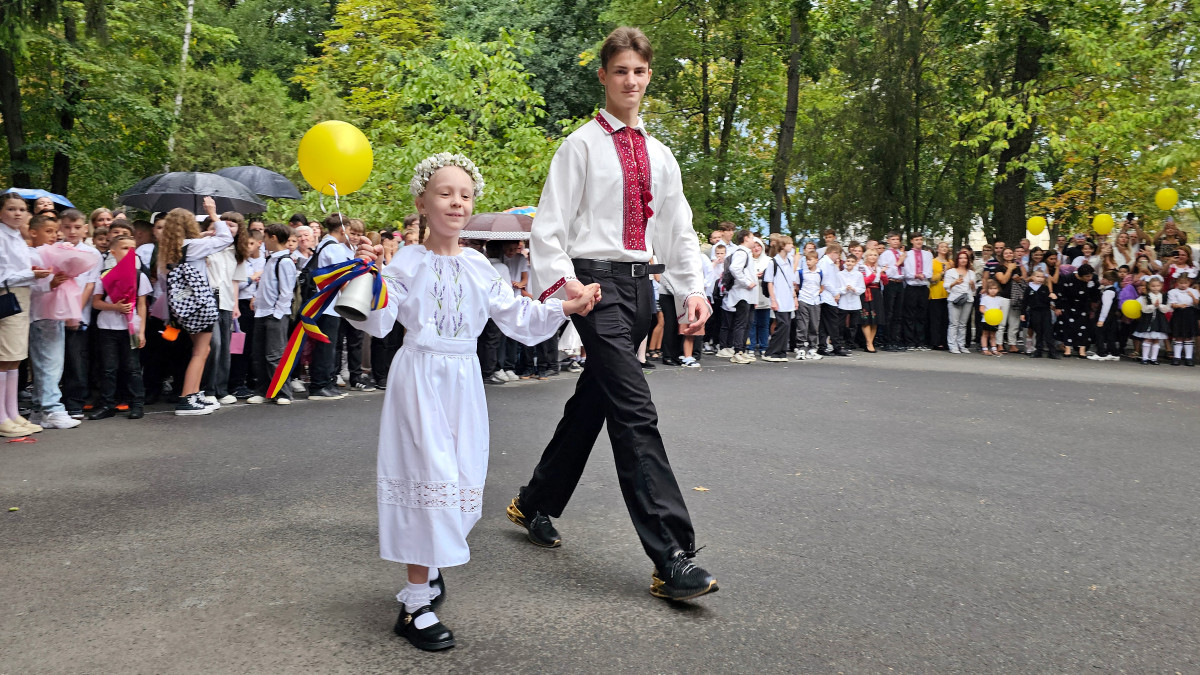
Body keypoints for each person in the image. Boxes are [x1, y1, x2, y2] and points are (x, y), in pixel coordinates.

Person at [349, 154, 598, 651]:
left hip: (463, 382)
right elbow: (377, 319)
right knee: (427, 481)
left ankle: (429, 566)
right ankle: (415, 604)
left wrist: (565, 306)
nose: (456, 202)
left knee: (460, 479)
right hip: (420, 380)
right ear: (422, 202)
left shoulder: (479, 264)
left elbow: (516, 314)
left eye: (465, 194)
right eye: (444, 193)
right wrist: (367, 277)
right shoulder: (406, 262)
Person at [514, 26, 719, 602]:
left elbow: (678, 228)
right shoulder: (579, 146)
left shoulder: (662, 154)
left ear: (649, 76)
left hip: (641, 289)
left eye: (640, 71)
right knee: (635, 411)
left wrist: (691, 289)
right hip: (596, 289)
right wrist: (568, 286)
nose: (631, 81)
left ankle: (534, 501)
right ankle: (671, 555)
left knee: (594, 403)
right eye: (621, 70)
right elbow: (549, 227)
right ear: (604, 76)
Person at [159, 198, 234, 415]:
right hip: (201, 306)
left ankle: (194, 393)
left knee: (202, 350)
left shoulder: (170, 251)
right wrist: (213, 213)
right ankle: (187, 398)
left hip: (184, 309)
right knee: (200, 352)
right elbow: (226, 238)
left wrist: (202, 235)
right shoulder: (194, 247)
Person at [0, 193, 53, 437]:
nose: (18, 213)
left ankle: (12, 413)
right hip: (7, 297)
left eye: (21, 209)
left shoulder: (17, 236)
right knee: (4, 357)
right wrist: (31, 275)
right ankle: (2, 416)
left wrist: (30, 272)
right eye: (11, 209)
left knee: (15, 357)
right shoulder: (2, 236)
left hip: (21, 295)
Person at [25, 215, 82, 429]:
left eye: (55, 231)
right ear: (33, 232)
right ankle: (52, 408)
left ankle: (39, 409)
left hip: (53, 313)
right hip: (41, 314)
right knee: (49, 363)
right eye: (48, 231)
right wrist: (50, 283)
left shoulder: (49, 252)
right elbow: (28, 285)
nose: (54, 235)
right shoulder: (31, 254)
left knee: (50, 363)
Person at [89, 236, 149, 420]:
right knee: (109, 368)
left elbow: (142, 305)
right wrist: (115, 307)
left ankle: (137, 404)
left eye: (133, 248)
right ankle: (107, 404)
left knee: (133, 368)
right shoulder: (105, 275)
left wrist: (141, 331)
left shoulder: (139, 275)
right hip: (107, 328)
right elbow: (96, 303)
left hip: (130, 329)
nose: (130, 252)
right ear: (113, 252)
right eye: (124, 248)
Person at [203, 212, 251, 406]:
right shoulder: (207, 245)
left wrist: (235, 305)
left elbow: (235, 281)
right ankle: (208, 388)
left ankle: (221, 389)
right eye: (225, 224)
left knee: (224, 346)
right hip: (208, 299)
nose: (228, 228)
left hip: (226, 301)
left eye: (233, 225)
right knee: (213, 344)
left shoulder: (237, 252)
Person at [247, 224, 298, 405]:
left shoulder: (284, 261)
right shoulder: (271, 259)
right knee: (259, 354)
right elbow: (267, 285)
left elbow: (286, 291)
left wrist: (277, 314)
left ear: (273, 237)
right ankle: (264, 390)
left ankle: (283, 392)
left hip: (275, 314)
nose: (263, 242)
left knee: (275, 355)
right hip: (262, 312)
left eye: (266, 237)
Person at [307, 213, 355, 400]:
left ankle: (325, 382)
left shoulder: (323, 244)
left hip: (323, 303)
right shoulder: (334, 248)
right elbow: (340, 277)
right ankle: (320, 385)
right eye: (349, 230)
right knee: (326, 346)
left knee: (326, 345)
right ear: (342, 229)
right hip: (329, 304)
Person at [721, 229, 757, 363]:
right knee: (741, 323)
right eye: (752, 238)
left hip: (748, 295)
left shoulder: (746, 253)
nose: (754, 240)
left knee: (747, 323)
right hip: (742, 294)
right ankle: (737, 351)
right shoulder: (741, 253)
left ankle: (742, 349)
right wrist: (747, 282)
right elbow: (734, 268)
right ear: (746, 238)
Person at [762, 236, 797, 362]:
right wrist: (773, 299)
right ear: (783, 246)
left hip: (788, 298)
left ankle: (781, 352)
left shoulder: (790, 261)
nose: (792, 246)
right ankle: (771, 351)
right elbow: (769, 282)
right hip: (779, 297)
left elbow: (791, 281)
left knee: (786, 325)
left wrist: (794, 297)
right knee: (783, 324)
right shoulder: (773, 262)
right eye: (789, 243)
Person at [1055, 263, 1097, 358]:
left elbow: (1095, 294)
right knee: (1068, 326)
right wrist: (1058, 306)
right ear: (1081, 275)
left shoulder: (1092, 280)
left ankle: (1082, 349)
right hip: (1068, 305)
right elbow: (1060, 293)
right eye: (1087, 276)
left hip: (1084, 305)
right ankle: (1068, 348)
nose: (1090, 278)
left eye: (1091, 275)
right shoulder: (1068, 279)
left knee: (1084, 327)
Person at [901, 233, 933, 350]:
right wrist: (915, 275)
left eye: (920, 239)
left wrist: (923, 275)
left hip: (923, 287)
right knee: (910, 315)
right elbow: (905, 271)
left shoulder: (927, 254)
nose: (919, 242)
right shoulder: (907, 254)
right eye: (916, 240)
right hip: (912, 286)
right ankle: (909, 341)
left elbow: (929, 271)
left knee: (922, 315)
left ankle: (921, 341)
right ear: (912, 241)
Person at [816, 241, 846, 356]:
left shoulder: (831, 264)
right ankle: (836, 346)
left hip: (830, 297)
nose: (838, 257)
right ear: (833, 252)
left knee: (824, 324)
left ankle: (823, 346)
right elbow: (825, 281)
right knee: (833, 323)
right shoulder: (825, 263)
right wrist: (835, 293)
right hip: (827, 297)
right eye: (838, 254)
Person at [943, 250, 976, 354]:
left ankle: (961, 345)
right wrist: (955, 283)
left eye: (965, 258)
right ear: (957, 260)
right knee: (954, 323)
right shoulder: (951, 272)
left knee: (963, 324)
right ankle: (952, 345)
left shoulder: (971, 273)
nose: (963, 260)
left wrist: (972, 285)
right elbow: (946, 286)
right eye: (961, 258)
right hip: (955, 299)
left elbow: (974, 290)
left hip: (968, 299)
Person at [877, 232, 906, 351]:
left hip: (900, 283)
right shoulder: (886, 254)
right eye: (893, 239)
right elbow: (886, 271)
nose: (895, 241)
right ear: (888, 241)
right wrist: (898, 262)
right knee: (889, 312)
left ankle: (895, 339)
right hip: (890, 283)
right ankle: (887, 341)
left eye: (897, 239)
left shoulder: (901, 253)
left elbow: (904, 270)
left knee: (898, 313)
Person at [1023, 269, 1059, 359]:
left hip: (1045, 311)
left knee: (1048, 331)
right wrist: (1022, 313)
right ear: (1033, 277)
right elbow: (1025, 302)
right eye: (1038, 276)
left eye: (1042, 277)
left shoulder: (1045, 288)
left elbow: (1046, 300)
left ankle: (1052, 351)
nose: (1040, 279)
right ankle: (1038, 350)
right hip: (1034, 311)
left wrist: (1051, 297)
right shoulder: (1028, 288)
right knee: (1038, 331)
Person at [794, 250, 824, 360]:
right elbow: (797, 286)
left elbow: (822, 286)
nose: (808, 262)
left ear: (816, 260)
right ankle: (801, 347)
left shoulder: (820, 272)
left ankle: (813, 348)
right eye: (807, 260)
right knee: (802, 324)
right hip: (804, 299)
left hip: (815, 301)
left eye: (810, 260)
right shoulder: (802, 272)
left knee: (814, 325)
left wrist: (816, 292)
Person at [1133, 275, 1169, 364]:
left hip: (1159, 320)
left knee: (1156, 339)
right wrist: (1153, 306)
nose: (1155, 288)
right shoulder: (1146, 297)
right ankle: (1145, 358)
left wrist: (1159, 306)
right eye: (1153, 286)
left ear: (1161, 286)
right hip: (1148, 320)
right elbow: (1144, 309)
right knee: (1147, 338)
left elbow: (1167, 309)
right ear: (1149, 286)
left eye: (1157, 286)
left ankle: (1154, 358)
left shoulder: (1163, 296)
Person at [1090, 270, 1122, 362]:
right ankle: (1114, 353)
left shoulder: (1108, 292)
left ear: (1110, 281)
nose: (1102, 280)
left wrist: (1101, 319)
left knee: (1099, 334)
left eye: (1104, 278)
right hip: (1111, 317)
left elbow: (1106, 307)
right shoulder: (1112, 290)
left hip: (1105, 317)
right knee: (1110, 335)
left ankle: (1101, 353)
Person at [1167, 272, 1197, 366]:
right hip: (1179, 314)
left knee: (1188, 336)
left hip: (1190, 314)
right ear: (1177, 282)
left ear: (1189, 283)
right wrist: (1179, 305)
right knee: (1178, 336)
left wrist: (1192, 296)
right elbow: (1172, 304)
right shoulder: (1173, 292)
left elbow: (1196, 303)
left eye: (1185, 283)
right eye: (1181, 283)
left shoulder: (1193, 291)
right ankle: (1177, 357)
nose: (1183, 285)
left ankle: (1189, 358)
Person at [837, 254, 865, 352]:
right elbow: (837, 288)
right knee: (841, 323)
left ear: (855, 263)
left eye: (852, 261)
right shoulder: (840, 274)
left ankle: (850, 342)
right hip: (843, 301)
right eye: (848, 261)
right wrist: (845, 289)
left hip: (855, 301)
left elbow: (862, 288)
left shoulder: (858, 275)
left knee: (853, 324)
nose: (850, 263)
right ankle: (840, 341)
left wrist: (854, 289)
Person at [748, 238, 771, 357]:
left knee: (764, 323)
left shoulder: (768, 260)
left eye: (759, 246)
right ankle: (750, 347)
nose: (756, 248)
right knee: (752, 323)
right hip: (751, 294)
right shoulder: (747, 260)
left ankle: (764, 347)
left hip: (764, 295)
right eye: (754, 246)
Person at [859, 249, 884, 353]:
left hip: (876, 292)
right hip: (867, 292)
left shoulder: (878, 268)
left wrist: (883, 274)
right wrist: (874, 274)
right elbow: (863, 281)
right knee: (866, 319)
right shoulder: (862, 267)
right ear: (866, 257)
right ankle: (868, 342)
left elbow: (885, 282)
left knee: (876, 319)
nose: (873, 257)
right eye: (871, 255)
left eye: (875, 255)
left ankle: (870, 342)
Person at [928, 241, 950, 350]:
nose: (944, 248)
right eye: (942, 247)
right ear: (937, 249)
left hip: (948, 294)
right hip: (936, 293)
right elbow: (931, 279)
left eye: (946, 247)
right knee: (936, 319)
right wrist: (942, 273)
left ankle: (945, 341)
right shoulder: (933, 262)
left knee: (946, 319)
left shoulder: (950, 262)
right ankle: (935, 342)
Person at [978, 280, 1004, 356]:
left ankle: (994, 349)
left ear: (998, 289)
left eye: (995, 288)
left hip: (995, 320)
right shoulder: (985, 298)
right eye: (991, 288)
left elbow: (999, 309)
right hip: (986, 319)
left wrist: (998, 316)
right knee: (985, 334)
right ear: (987, 289)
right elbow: (981, 309)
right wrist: (988, 314)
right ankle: (984, 349)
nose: (993, 290)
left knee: (993, 335)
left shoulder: (999, 299)